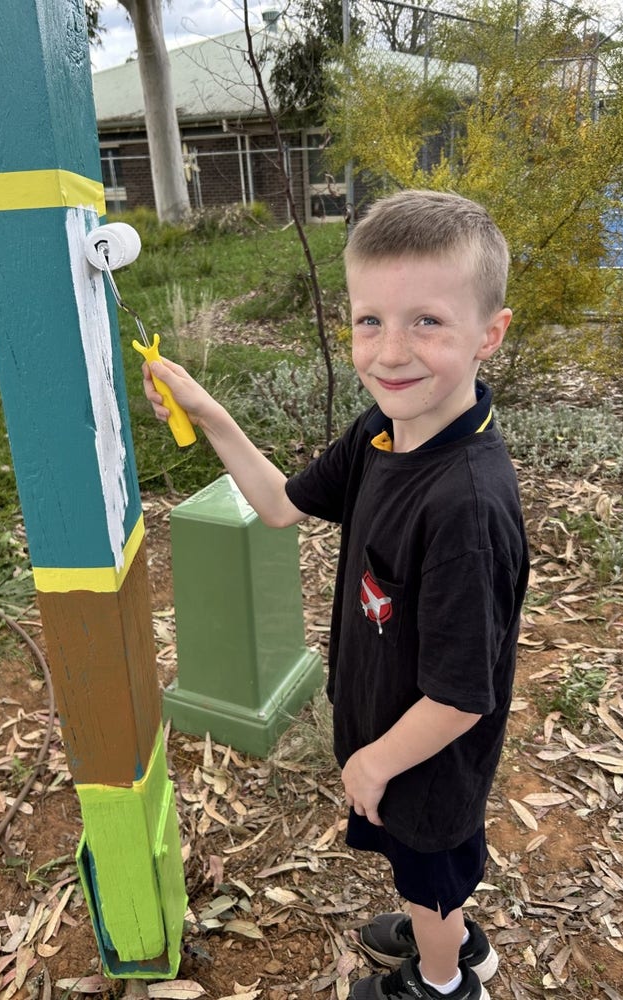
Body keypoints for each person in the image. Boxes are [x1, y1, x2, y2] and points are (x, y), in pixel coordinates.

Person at [142, 190, 530, 1000]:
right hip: (389, 731)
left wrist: (373, 764)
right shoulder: (380, 432)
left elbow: (461, 697)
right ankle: (458, 937)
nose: (391, 352)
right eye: (369, 321)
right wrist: (209, 412)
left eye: (427, 322)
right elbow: (281, 504)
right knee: (426, 869)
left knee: (426, 868)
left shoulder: (465, 506)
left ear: (489, 335)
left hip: (424, 756)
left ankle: (442, 979)